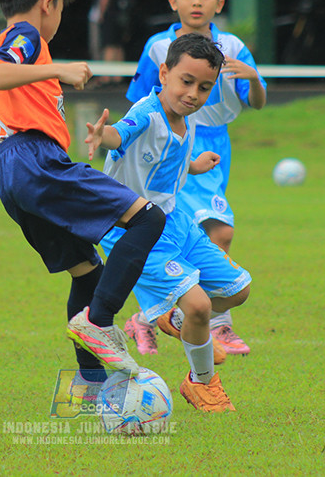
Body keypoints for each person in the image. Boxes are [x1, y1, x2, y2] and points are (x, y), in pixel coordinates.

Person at [0, 0, 166, 390]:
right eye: (62, 8)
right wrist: (58, 68)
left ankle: (90, 384)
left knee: (89, 272)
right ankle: (99, 323)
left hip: (14, 170)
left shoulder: (20, 40)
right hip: (34, 161)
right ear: (48, 3)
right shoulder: (26, 35)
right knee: (148, 218)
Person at [88, 33, 251, 412]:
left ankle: (172, 318)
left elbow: (166, 161)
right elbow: (121, 133)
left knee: (238, 290)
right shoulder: (147, 113)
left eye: (204, 87)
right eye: (186, 82)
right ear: (164, 73)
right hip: (133, 228)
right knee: (199, 307)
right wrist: (102, 135)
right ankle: (202, 382)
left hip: (175, 221)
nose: (193, 94)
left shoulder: (186, 117)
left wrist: (193, 166)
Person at [122, 0, 266, 358]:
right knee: (215, 232)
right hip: (169, 143)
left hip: (214, 147)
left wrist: (254, 78)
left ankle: (150, 318)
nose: (197, 2)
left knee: (204, 234)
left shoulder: (233, 48)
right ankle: (217, 324)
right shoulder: (158, 48)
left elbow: (257, 102)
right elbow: (138, 103)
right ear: (173, 1)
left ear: (220, 3)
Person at [85, 0, 125, 82]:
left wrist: (101, 13)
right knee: (117, 44)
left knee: (108, 44)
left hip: (109, 14)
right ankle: (118, 77)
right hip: (118, 14)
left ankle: (105, 77)